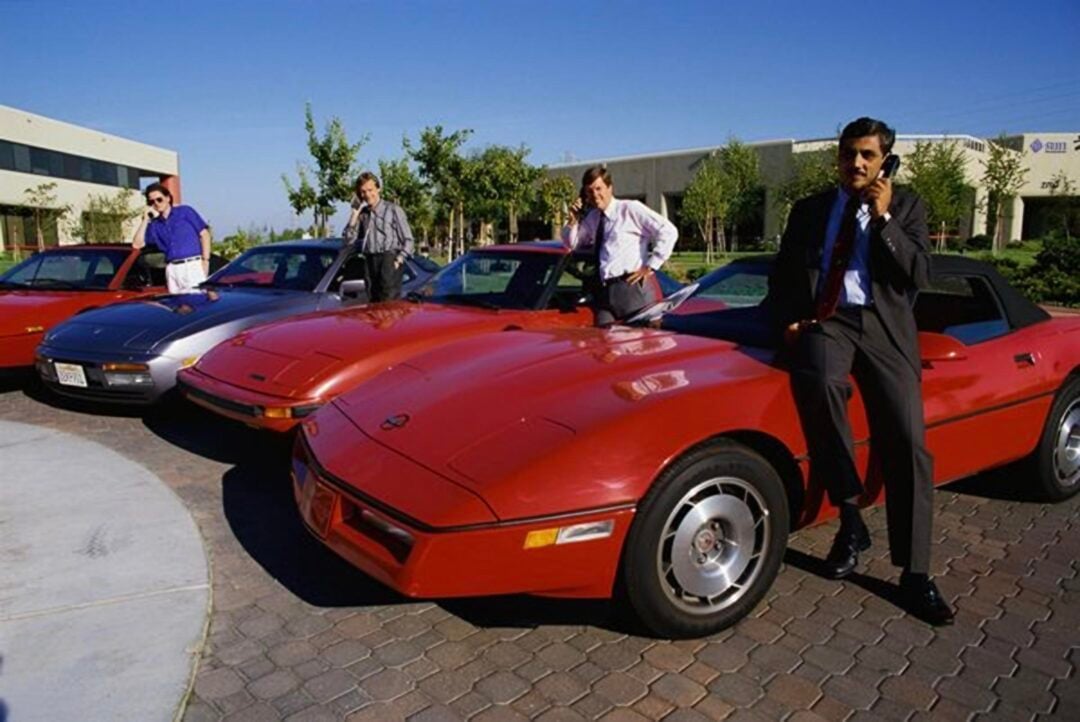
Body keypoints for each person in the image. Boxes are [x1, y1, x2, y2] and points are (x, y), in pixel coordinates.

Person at [768, 117, 954, 626]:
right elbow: (784, 274)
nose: (856, 163)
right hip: (830, 321)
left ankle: (915, 572)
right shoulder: (810, 210)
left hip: (886, 328)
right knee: (819, 382)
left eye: (867, 155)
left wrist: (884, 217)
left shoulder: (907, 205)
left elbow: (919, 274)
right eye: (849, 153)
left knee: (907, 440)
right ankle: (850, 519)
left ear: (884, 161)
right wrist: (788, 319)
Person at [562, 166, 677, 326]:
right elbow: (572, 244)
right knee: (604, 339)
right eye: (589, 191)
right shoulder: (593, 218)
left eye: (598, 188)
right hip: (604, 292)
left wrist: (651, 265)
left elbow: (668, 231)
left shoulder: (630, 209)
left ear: (610, 188)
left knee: (638, 339)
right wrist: (573, 220)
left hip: (631, 288)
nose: (595, 194)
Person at [343, 172, 414, 303]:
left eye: (370, 190)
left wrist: (399, 260)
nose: (367, 195)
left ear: (378, 189)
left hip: (388, 259)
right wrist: (354, 215)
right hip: (369, 261)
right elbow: (349, 240)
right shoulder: (363, 214)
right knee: (372, 303)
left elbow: (408, 240)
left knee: (388, 305)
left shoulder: (393, 210)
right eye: (363, 192)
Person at [132, 183, 212, 294]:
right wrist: (145, 219)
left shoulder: (185, 212)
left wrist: (205, 261)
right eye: (151, 202)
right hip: (172, 268)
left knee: (196, 301)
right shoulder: (155, 225)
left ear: (168, 198)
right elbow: (137, 244)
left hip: (192, 266)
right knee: (176, 303)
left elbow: (204, 234)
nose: (156, 203)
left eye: (159, 199)